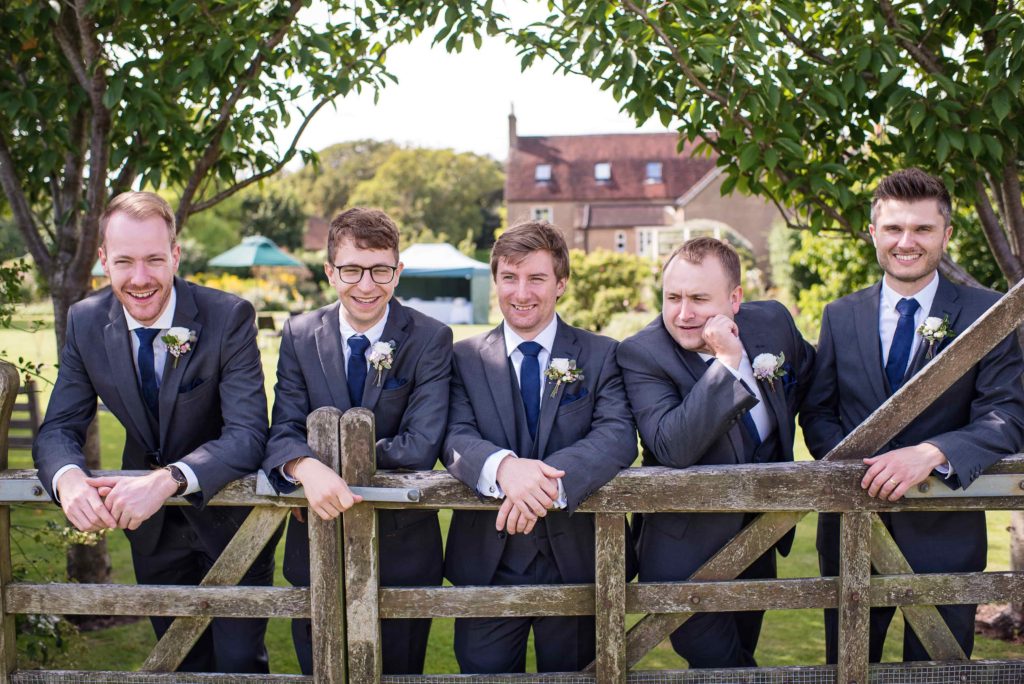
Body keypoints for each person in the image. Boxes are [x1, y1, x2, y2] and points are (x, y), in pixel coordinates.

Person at [33, 191, 276, 673]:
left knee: (239, 663)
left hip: (234, 525)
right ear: (103, 259)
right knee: (177, 662)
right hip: (151, 532)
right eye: (123, 261)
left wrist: (167, 481)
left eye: (153, 260)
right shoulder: (84, 321)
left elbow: (248, 434)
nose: (140, 279)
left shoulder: (229, 317)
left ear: (176, 256)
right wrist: (68, 478)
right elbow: (60, 425)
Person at [800, 168, 1024, 662]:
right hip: (852, 528)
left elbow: (1006, 413)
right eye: (895, 228)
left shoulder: (988, 314)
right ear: (874, 232)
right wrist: (859, 471)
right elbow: (818, 410)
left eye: (922, 229)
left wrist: (931, 453)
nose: (907, 242)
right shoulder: (840, 314)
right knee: (851, 667)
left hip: (945, 529)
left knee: (936, 670)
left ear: (945, 235)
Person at [261, 207, 450, 675]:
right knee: (319, 671)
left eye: (380, 270)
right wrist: (305, 469)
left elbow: (420, 445)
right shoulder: (300, 334)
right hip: (315, 544)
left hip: (403, 549)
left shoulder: (430, 338)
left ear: (398, 271)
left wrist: (327, 463)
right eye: (351, 270)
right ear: (330, 271)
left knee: (400, 673)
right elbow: (283, 427)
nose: (366, 285)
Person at [442, 220, 636, 674]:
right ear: (496, 282)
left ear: (561, 283)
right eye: (509, 277)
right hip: (487, 564)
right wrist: (506, 469)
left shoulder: (601, 353)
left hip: (579, 560)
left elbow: (617, 435)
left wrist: (541, 487)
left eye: (536, 278)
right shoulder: (463, 358)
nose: (521, 292)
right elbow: (453, 435)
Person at [617, 236, 814, 668]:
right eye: (673, 297)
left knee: (741, 655)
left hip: (760, 542)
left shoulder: (774, 323)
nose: (683, 314)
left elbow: (815, 386)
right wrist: (726, 363)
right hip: (684, 556)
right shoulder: (642, 353)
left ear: (735, 298)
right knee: (723, 666)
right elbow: (672, 446)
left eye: (699, 299)